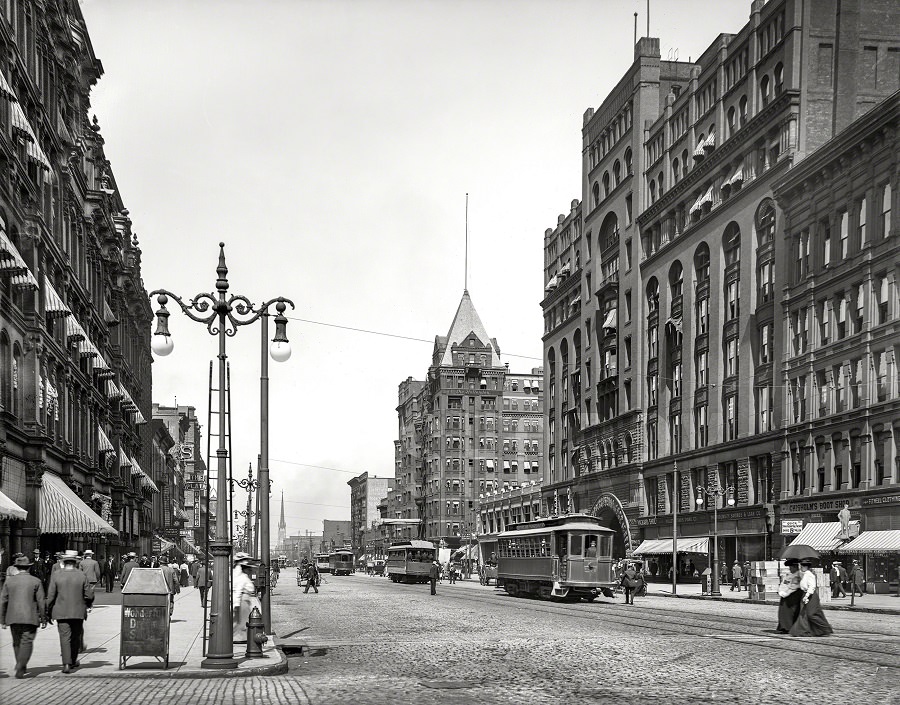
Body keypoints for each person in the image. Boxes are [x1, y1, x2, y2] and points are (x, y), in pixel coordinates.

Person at [1, 554, 48, 678]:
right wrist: (43, 618)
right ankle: (21, 665)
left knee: (16, 642)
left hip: (13, 616)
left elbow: (3, 601)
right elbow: (41, 602)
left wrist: (2, 619)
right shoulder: (36, 581)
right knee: (27, 641)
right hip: (30, 616)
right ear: (28, 568)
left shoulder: (9, 581)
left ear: (16, 567)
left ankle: (19, 663)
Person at [46, 550, 93, 673]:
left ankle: (66, 664)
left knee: (65, 637)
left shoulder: (56, 575)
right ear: (76, 562)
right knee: (76, 636)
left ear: (64, 562)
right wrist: (87, 604)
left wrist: (48, 610)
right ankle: (73, 660)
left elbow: (51, 595)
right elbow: (89, 594)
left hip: (61, 611)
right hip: (78, 611)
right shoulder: (81, 575)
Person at [789, 560, 833, 637]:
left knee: (811, 614)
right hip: (805, 594)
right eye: (801, 566)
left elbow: (812, 586)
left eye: (803, 566)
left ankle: (825, 628)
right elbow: (802, 585)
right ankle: (805, 630)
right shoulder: (804, 574)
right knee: (804, 614)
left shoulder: (809, 575)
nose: (801, 567)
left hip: (811, 596)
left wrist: (807, 596)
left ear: (806, 567)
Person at [232, 552, 257, 642]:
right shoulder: (242, 577)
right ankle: (237, 637)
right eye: (248, 568)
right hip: (243, 599)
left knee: (242, 619)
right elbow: (239, 590)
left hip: (245, 599)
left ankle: (240, 637)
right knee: (242, 620)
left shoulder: (241, 575)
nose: (250, 570)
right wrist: (237, 604)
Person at [776, 560, 802, 633]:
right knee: (783, 611)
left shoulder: (798, 576)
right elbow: (784, 584)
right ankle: (784, 626)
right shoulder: (789, 575)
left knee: (792, 611)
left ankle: (790, 626)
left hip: (794, 595)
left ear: (795, 567)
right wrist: (781, 591)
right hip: (786, 595)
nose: (790, 569)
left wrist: (787, 593)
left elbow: (795, 586)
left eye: (791, 567)